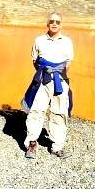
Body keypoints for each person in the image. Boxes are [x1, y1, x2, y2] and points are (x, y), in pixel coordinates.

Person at [22, 12, 74, 159]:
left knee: (59, 112)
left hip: (60, 82)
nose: (54, 23)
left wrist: (56, 74)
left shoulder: (67, 41)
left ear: (61, 24)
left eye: (57, 21)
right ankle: (31, 144)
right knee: (37, 111)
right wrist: (45, 73)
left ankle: (57, 147)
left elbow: (68, 62)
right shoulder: (39, 40)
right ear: (47, 23)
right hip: (42, 81)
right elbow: (34, 60)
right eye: (52, 21)